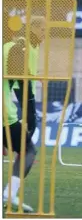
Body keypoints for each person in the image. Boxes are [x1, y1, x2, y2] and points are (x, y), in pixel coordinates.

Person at [2, 16, 44, 212]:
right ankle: (9, 194)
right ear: (33, 27)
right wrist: (29, 113)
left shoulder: (14, 45)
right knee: (28, 150)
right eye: (43, 30)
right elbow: (22, 81)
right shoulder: (20, 46)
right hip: (4, 112)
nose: (45, 34)